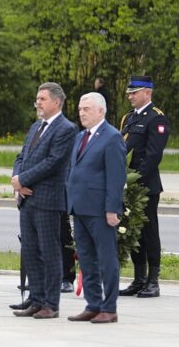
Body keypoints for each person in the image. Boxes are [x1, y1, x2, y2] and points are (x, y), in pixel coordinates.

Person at [11, 82, 77, 319]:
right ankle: (36, 299)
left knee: (50, 252)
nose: (37, 102)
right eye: (37, 98)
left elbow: (54, 161)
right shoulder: (36, 127)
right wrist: (16, 178)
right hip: (27, 199)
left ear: (56, 102)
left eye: (42, 99)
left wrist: (23, 180)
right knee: (31, 251)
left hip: (48, 199)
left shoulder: (66, 128)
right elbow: (22, 156)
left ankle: (51, 303)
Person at [66, 92, 126, 324]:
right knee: (87, 259)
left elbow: (116, 176)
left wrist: (112, 209)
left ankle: (109, 308)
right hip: (79, 208)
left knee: (106, 259)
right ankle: (93, 304)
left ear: (101, 111)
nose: (82, 112)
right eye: (80, 109)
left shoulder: (111, 137)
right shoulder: (81, 136)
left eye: (87, 109)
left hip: (100, 210)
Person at [118, 75, 169, 298]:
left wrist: (135, 179)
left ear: (147, 93)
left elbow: (153, 156)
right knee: (133, 233)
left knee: (148, 232)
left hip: (146, 186)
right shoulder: (128, 118)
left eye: (134, 92)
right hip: (127, 184)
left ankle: (153, 281)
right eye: (129, 92)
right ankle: (139, 279)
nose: (130, 96)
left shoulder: (156, 119)